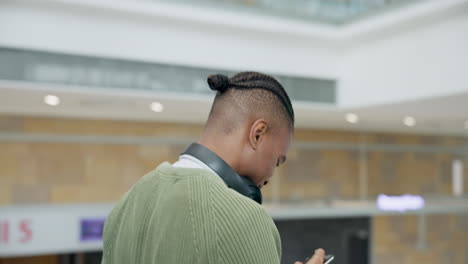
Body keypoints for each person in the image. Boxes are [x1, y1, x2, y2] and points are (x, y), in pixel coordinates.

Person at [101, 72, 326, 264]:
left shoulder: (123, 207)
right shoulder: (246, 219)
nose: (269, 177)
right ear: (257, 134)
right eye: (277, 161)